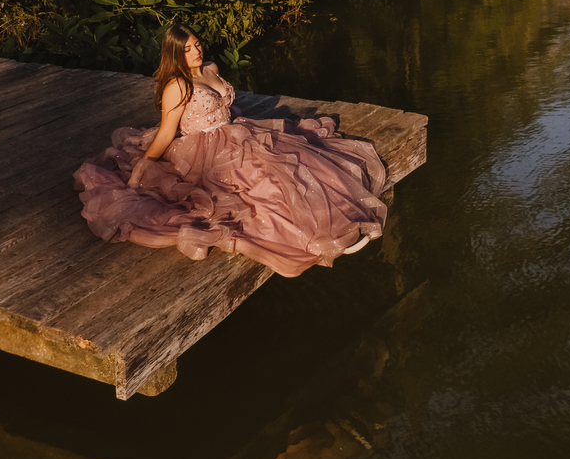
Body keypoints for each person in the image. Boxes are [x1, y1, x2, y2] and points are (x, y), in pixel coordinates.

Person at [73, 23, 386, 277]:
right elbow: (168, 130)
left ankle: (343, 221)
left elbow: (223, 102)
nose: (196, 52)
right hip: (202, 149)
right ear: (174, 54)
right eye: (187, 49)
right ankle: (316, 238)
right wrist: (144, 164)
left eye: (196, 45)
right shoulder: (176, 86)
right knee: (262, 185)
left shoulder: (211, 66)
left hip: (237, 131)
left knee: (299, 161)